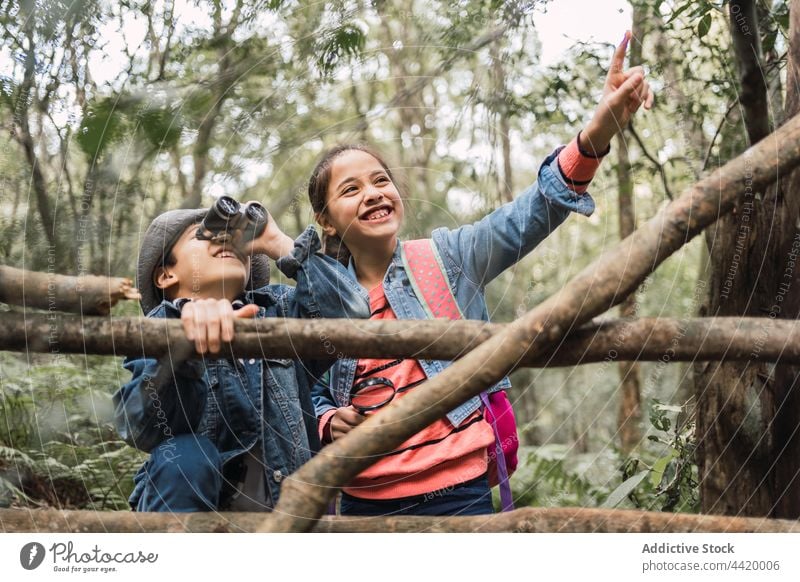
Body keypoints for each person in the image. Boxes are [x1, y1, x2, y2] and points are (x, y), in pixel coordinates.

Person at [308, 31, 654, 516]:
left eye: (381, 180)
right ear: (325, 219)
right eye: (350, 189)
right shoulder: (315, 299)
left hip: (460, 493)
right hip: (363, 504)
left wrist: (597, 133)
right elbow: (308, 387)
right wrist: (326, 419)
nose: (373, 193)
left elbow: (529, 215)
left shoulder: (448, 258)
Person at [114, 201, 369, 512]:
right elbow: (142, 426)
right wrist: (183, 348)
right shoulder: (156, 330)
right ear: (166, 275)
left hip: (288, 520)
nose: (224, 240)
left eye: (233, 237)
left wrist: (277, 242)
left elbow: (351, 311)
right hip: (198, 521)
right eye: (202, 235)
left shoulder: (280, 311)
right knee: (186, 455)